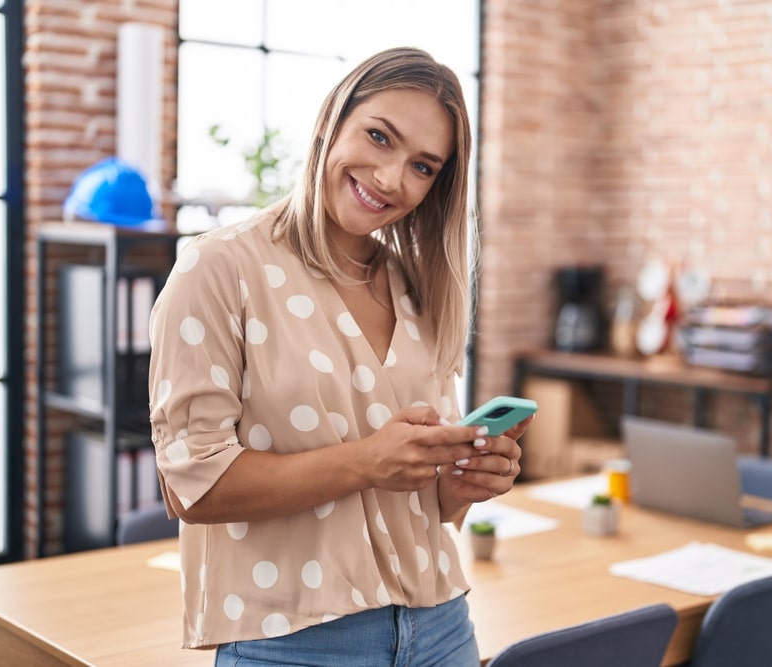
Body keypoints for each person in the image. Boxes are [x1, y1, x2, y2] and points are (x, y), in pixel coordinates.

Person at [148, 46, 533, 667]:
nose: (390, 178)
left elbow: (428, 504)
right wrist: (368, 461)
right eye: (379, 137)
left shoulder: (418, 288)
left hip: (442, 627)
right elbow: (191, 488)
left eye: (423, 166)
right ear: (332, 120)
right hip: (296, 640)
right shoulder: (220, 268)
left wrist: (463, 484)